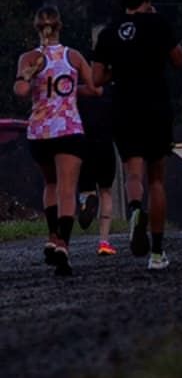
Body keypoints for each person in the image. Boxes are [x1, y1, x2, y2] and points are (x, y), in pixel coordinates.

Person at [91, 0, 182, 274]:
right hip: (156, 105)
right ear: (147, 1)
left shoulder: (109, 32)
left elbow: (96, 78)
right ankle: (156, 253)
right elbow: (178, 60)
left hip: (124, 106)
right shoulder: (158, 23)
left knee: (133, 171)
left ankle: (134, 210)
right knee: (156, 179)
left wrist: (119, 68)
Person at [13, 6, 94, 278]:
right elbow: (95, 88)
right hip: (69, 129)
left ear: (37, 28)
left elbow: (21, 90)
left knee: (50, 184)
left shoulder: (29, 58)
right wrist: (70, 91)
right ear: (60, 26)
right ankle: (63, 245)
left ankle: (51, 236)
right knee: (67, 190)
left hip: (40, 132)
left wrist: (27, 76)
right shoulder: (74, 56)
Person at [76, 56, 118, 257]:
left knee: (85, 188)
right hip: (106, 146)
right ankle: (104, 241)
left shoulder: (80, 93)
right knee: (106, 192)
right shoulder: (112, 93)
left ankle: (86, 201)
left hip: (84, 145)